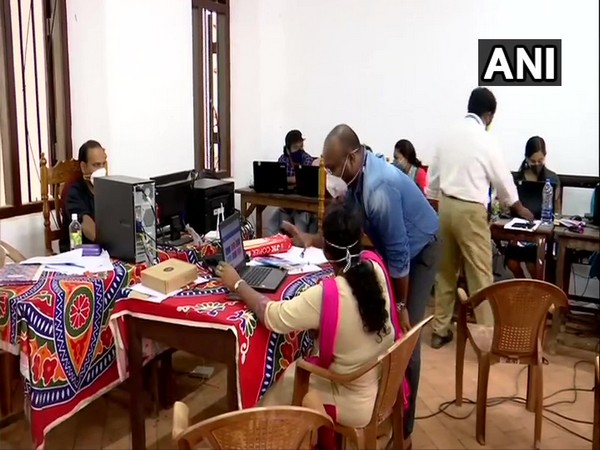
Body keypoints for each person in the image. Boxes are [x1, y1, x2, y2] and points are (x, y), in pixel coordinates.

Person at [282, 124, 440, 448]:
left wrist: (399, 306)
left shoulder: (379, 188)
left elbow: (398, 255)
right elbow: (351, 232)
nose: (330, 174)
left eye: (332, 167)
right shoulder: (357, 179)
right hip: (398, 251)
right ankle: (375, 401)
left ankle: (403, 429)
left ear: (352, 158)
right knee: (383, 324)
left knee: (405, 339)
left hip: (421, 250)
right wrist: (311, 239)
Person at [215, 200, 399, 434]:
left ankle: (256, 436)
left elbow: (273, 316)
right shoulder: (376, 267)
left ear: (326, 250)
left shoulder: (327, 294)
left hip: (351, 398)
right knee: (301, 359)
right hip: (377, 382)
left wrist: (238, 283)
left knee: (284, 380)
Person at [427, 87, 534, 349]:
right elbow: (501, 178)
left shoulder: (447, 135)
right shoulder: (486, 140)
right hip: (471, 212)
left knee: (445, 273)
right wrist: (518, 206)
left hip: (446, 208)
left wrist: (434, 199)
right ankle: (487, 338)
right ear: (488, 115)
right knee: (481, 276)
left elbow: (433, 179)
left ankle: (440, 330)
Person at [505, 136, 560, 278]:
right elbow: (510, 202)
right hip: (519, 230)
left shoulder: (551, 178)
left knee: (533, 264)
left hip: (541, 231)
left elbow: (556, 207)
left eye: (540, 161)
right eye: (533, 161)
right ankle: (524, 288)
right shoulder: (518, 178)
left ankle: (535, 293)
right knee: (512, 263)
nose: (537, 164)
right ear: (526, 158)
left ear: (545, 157)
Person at [60, 140, 107, 251]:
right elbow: (88, 229)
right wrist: (112, 244)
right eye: (96, 165)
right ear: (83, 167)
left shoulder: (107, 187)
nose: (101, 170)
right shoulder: (73, 191)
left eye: (103, 164)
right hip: (78, 251)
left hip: (103, 251)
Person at [267, 129, 317, 235]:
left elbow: (303, 179)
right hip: (287, 205)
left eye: (301, 147)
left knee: (301, 221)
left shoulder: (307, 159)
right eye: (295, 148)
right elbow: (278, 178)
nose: (300, 151)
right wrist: (292, 179)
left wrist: (289, 179)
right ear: (288, 150)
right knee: (272, 223)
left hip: (304, 206)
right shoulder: (283, 159)